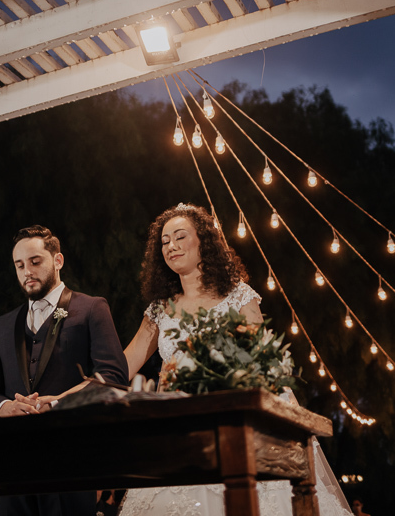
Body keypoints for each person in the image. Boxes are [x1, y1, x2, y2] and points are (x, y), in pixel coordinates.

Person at [120, 204, 352, 516]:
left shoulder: (238, 296)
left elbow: (262, 363)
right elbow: (123, 364)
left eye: (180, 237)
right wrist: (74, 392)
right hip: (177, 429)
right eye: (164, 241)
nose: (171, 246)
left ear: (204, 242)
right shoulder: (159, 309)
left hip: (234, 425)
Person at [0, 225, 129, 516]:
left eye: (35, 262)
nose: (27, 272)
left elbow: (114, 378)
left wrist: (59, 404)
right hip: (13, 466)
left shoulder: (92, 308)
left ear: (58, 260)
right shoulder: (2, 325)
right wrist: (5, 407)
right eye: (19, 265)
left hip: (71, 460)